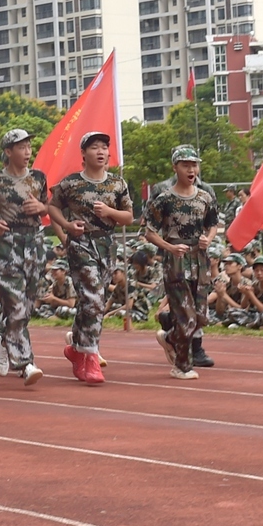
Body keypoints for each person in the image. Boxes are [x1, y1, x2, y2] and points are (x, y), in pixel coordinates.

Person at [48, 130, 133, 385]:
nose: (101, 152)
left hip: (106, 245)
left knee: (91, 301)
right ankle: (92, 356)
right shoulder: (71, 183)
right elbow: (52, 207)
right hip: (81, 245)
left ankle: (77, 349)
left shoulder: (117, 184)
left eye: (104, 148)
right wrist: (66, 228)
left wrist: (109, 211)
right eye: (94, 147)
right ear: (83, 153)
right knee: (94, 299)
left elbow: (129, 217)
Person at [0, 129, 48, 386]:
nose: (27, 152)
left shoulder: (38, 178)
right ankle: (26, 363)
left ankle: (1, 331)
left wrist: (42, 207)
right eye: (21, 147)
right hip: (8, 244)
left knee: (27, 305)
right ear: (8, 152)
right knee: (15, 305)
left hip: (35, 243)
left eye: (29, 147)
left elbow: (47, 205)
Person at [144, 146, 219, 380]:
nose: (191, 169)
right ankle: (182, 366)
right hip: (175, 260)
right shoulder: (164, 199)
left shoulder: (205, 197)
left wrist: (209, 238)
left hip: (200, 259)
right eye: (186, 165)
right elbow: (148, 231)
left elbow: (213, 224)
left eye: (194, 165)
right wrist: (169, 247)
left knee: (201, 317)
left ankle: (169, 336)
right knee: (186, 318)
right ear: (175, 167)